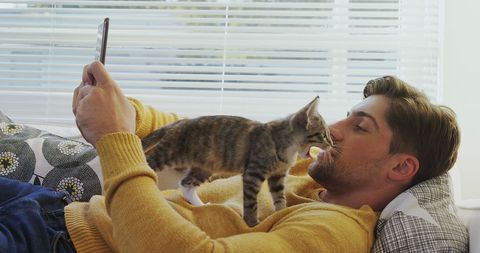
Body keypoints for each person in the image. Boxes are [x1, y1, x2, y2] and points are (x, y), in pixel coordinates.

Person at [0, 60, 461, 253]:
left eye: (359, 128)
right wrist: (128, 113)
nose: (333, 130)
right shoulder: (307, 173)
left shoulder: (332, 232)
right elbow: (216, 137)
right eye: (345, 116)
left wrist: (115, 138)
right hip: (54, 210)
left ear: (400, 167)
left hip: (55, 242)